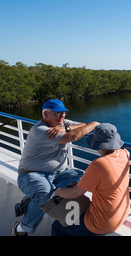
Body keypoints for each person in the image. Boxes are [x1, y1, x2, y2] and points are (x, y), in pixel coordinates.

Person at [12, 99, 100, 236]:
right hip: (32, 174)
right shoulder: (40, 130)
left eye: (63, 113)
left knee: (83, 178)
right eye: (58, 114)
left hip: (59, 173)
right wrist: (94, 123)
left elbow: (82, 125)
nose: (62, 116)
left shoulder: (62, 123)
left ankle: (29, 200)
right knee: (44, 195)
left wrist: (63, 127)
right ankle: (23, 228)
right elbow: (75, 135)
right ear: (46, 115)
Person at [51, 123, 130, 236]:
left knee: (58, 226)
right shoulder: (125, 154)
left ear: (97, 145)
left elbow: (76, 192)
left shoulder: (98, 165)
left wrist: (57, 192)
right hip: (121, 214)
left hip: (101, 223)